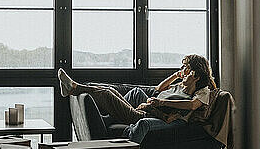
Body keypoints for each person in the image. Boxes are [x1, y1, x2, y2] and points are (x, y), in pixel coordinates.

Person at [57, 54, 217, 143]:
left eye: (186, 68)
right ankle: (75, 89)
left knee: (106, 94)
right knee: (115, 90)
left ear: (196, 74)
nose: (182, 71)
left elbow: (192, 105)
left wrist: (160, 102)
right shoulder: (181, 85)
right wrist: (176, 75)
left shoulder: (203, 91)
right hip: (149, 109)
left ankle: (74, 88)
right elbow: (158, 89)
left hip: (154, 116)